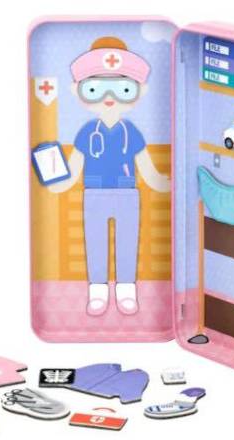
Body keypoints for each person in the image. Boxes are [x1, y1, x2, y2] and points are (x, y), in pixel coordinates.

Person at [49, 36, 170, 316]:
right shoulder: (86, 132)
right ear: (77, 90)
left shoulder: (131, 132)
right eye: (94, 90)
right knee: (95, 241)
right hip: (94, 193)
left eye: (124, 90)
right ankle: (98, 291)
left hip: (128, 193)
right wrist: (61, 184)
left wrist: (161, 183)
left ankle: (126, 290)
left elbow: (145, 166)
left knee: (128, 240)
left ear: (140, 91)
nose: (109, 99)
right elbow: (75, 166)